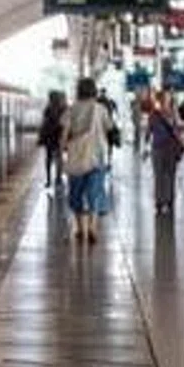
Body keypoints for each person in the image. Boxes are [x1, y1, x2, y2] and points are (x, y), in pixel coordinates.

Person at [61, 76, 113, 243]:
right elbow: (109, 128)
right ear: (94, 91)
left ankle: (79, 227)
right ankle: (92, 226)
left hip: (77, 156)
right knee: (94, 192)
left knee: (75, 193)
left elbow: (64, 132)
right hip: (97, 157)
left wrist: (63, 148)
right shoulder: (101, 109)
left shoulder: (71, 110)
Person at [147, 88, 184, 217]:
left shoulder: (173, 113)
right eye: (163, 98)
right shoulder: (155, 114)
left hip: (170, 148)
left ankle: (168, 201)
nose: (165, 100)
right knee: (161, 176)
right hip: (158, 147)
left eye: (167, 98)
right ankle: (160, 202)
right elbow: (149, 131)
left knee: (169, 175)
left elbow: (179, 129)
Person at [38, 90, 66, 193]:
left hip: (49, 137)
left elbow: (44, 123)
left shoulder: (48, 109)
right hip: (59, 136)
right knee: (59, 158)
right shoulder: (63, 108)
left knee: (49, 158)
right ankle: (58, 178)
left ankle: (49, 179)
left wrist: (42, 137)